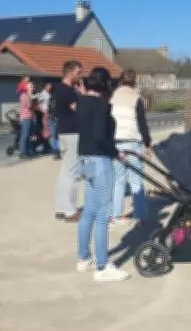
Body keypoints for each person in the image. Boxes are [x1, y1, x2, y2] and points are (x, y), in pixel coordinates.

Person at [75, 66, 130, 282]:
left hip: (84, 158)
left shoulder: (81, 103)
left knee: (89, 209)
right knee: (103, 214)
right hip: (99, 160)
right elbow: (100, 135)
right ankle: (102, 265)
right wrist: (116, 152)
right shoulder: (101, 105)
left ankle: (84, 258)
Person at [109, 69, 152, 226]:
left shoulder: (112, 97)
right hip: (132, 141)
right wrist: (147, 143)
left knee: (118, 179)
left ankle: (115, 215)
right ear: (134, 82)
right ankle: (140, 215)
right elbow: (142, 124)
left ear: (120, 81)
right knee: (136, 180)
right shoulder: (136, 98)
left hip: (116, 141)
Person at [54, 60, 84, 223]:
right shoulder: (68, 92)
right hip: (72, 133)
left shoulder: (59, 89)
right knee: (73, 172)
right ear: (70, 72)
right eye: (79, 73)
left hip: (64, 133)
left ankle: (61, 207)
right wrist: (83, 95)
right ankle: (70, 211)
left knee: (65, 172)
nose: (81, 76)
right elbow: (79, 111)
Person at [17, 81, 35, 159]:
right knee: (25, 135)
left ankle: (28, 151)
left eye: (32, 86)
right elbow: (29, 106)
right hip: (25, 118)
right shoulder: (24, 96)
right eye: (30, 86)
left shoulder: (28, 95)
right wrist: (30, 95)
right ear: (26, 88)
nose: (32, 88)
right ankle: (22, 152)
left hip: (30, 117)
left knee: (29, 135)